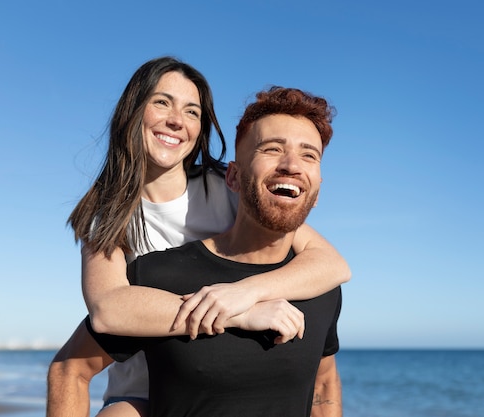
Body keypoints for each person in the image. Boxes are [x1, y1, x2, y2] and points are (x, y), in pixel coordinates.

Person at [46, 57, 349, 417]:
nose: (176, 120)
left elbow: (330, 264)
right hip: (141, 385)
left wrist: (244, 293)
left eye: (192, 111)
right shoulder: (108, 213)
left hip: (223, 366)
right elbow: (108, 309)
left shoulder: (226, 186)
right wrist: (235, 313)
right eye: (161, 102)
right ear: (132, 111)